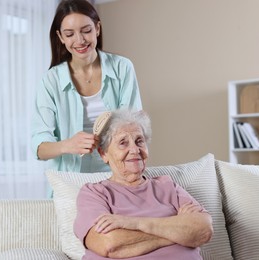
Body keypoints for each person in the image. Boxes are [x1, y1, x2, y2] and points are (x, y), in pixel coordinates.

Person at [74, 109, 213, 259]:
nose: (134, 150)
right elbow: (110, 244)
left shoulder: (167, 186)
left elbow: (203, 230)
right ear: (104, 154)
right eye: (123, 143)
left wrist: (133, 223)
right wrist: (178, 232)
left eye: (139, 141)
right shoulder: (95, 193)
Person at [31, 0, 142, 174]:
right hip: (71, 181)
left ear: (97, 29)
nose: (80, 40)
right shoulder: (50, 81)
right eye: (69, 34)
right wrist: (67, 145)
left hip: (118, 176)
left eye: (86, 31)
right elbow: (39, 148)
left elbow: (134, 125)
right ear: (60, 37)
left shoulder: (122, 68)